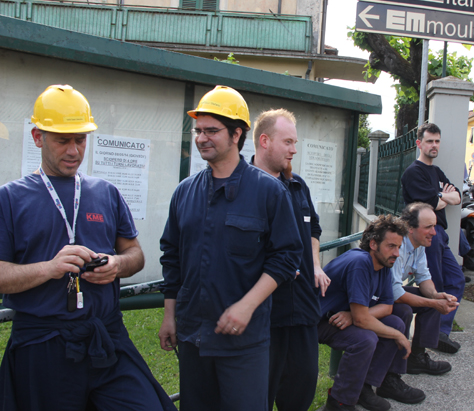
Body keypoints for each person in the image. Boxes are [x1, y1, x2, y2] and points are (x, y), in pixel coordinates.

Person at [0, 85, 175, 410]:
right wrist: (50, 268)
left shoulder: (106, 192)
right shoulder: (10, 198)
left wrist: (117, 265)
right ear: (38, 137)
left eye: (80, 139)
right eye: (62, 140)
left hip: (106, 336)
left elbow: (135, 255)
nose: (74, 150)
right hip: (43, 343)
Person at [158, 86, 303, 410]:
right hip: (193, 338)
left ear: (237, 134)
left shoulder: (269, 192)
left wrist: (246, 306)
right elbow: (172, 256)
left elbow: (287, 257)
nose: (202, 138)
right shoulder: (184, 193)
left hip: (244, 343)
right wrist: (169, 316)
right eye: (198, 130)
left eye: (212, 131)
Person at [251, 108, 331, 411]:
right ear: (265, 141)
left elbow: (313, 229)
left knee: (303, 384)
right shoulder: (246, 188)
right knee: (260, 390)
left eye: (295, 142)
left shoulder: (298, 185)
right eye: (288, 142)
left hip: (304, 308)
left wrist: (315, 265)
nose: (294, 149)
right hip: (267, 312)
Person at [318, 215, 425, 411]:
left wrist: (353, 315)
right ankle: (339, 402)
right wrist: (398, 336)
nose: (397, 253)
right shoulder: (360, 262)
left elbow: (387, 306)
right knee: (365, 339)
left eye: (398, 247)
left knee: (396, 322)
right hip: (320, 321)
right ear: (373, 244)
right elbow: (362, 320)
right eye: (391, 246)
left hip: (343, 317)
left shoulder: (383, 264)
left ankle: (363, 388)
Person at [401, 122, 466, 354]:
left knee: (456, 279)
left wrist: (441, 197)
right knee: (434, 283)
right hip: (426, 234)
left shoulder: (436, 172)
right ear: (419, 143)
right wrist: (441, 196)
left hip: (441, 234)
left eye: (437, 141)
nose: (434, 145)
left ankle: (441, 332)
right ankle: (428, 340)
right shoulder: (413, 173)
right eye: (429, 141)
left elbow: (457, 197)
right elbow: (434, 204)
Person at [391, 202, 459, 375]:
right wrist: (433, 303)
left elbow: (424, 277)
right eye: (428, 227)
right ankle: (394, 369)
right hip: (372, 297)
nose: (434, 233)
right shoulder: (396, 245)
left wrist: (436, 296)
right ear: (409, 227)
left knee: (432, 300)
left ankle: (417, 358)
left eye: (434, 226)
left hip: (389, 293)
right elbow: (396, 294)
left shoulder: (418, 244)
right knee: (405, 310)